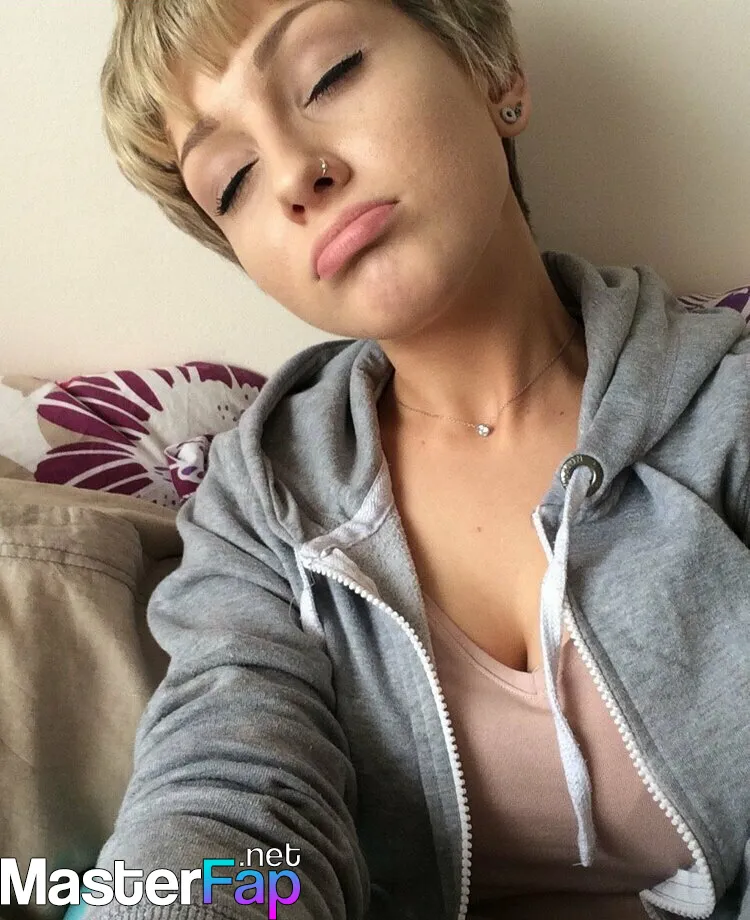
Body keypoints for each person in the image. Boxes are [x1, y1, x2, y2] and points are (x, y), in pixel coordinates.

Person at [90, 0, 750, 917]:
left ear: (494, 73)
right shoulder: (258, 502)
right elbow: (221, 793)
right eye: (232, 180)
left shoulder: (730, 408)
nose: (295, 176)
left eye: (328, 75)